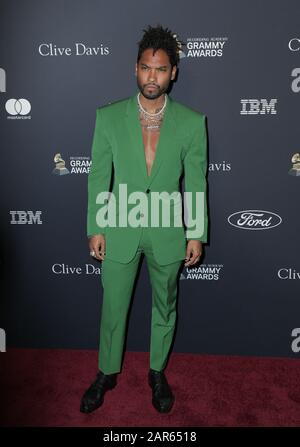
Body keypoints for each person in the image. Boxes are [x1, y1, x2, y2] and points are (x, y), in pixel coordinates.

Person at [80, 24, 208, 414]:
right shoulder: (109, 117)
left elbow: (197, 181)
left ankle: (156, 372)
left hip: (168, 229)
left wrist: (196, 232)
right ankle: (106, 372)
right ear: (135, 69)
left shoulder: (191, 121)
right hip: (120, 225)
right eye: (146, 68)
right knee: (113, 305)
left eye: (161, 69)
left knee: (165, 306)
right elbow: (99, 175)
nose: (152, 77)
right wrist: (96, 226)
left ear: (174, 73)